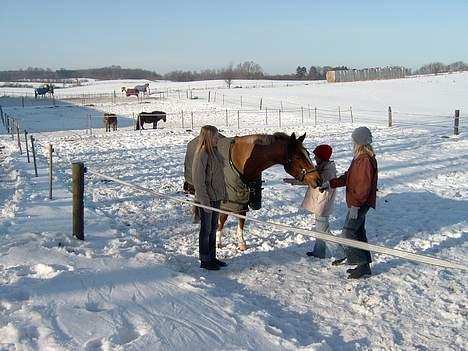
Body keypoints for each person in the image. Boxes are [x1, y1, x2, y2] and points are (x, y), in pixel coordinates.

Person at [319, 126, 378, 279]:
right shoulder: (359, 158)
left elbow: (364, 186)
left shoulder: (365, 160)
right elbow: (348, 177)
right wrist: (330, 183)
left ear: (359, 141)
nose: (352, 142)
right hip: (358, 203)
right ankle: (364, 265)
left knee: (348, 232)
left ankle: (360, 263)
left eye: (354, 140)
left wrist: (356, 206)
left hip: (359, 203)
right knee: (358, 232)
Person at [285, 144, 340, 258]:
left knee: (323, 230)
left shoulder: (327, 170)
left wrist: (296, 181)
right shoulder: (322, 166)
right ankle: (319, 252)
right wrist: (294, 181)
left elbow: (315, 183)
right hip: (319, 202)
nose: (315, 158)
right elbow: (311, 180)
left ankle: (339, 253)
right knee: (320, 229)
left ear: (322, 157)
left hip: (323, 203)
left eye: (317, 156)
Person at [192, 125, 227, 271]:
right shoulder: (202, 155)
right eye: (215, 136)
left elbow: (219, 177)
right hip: (206, 199)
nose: (218, 138)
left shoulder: (215, 153)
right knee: (206, 230)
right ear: (208, 137)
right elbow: (199, 181)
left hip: (216, 198)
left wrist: (224, 193)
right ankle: (205, 259)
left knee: (213, 228)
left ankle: (212, 257)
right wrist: (204, 201)